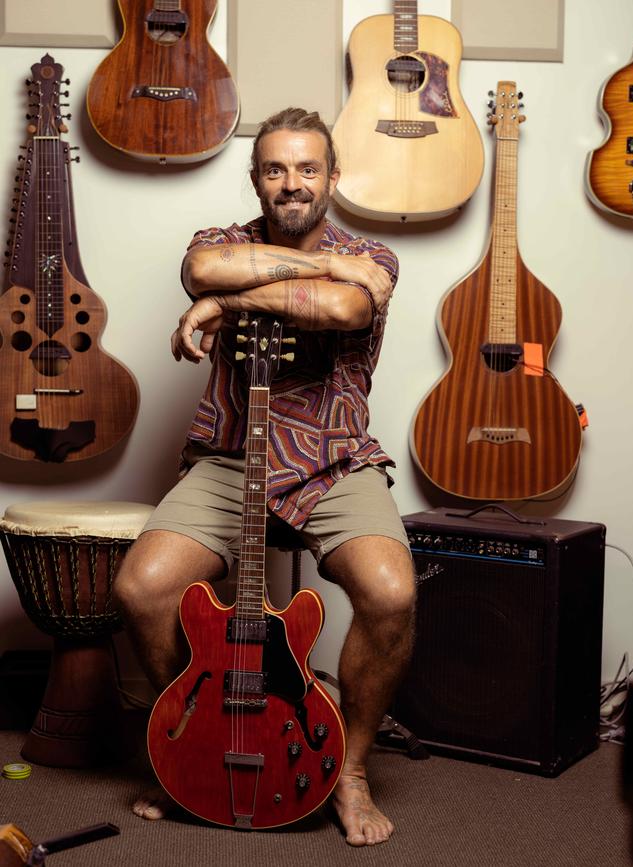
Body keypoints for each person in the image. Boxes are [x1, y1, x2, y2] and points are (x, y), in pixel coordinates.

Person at [113, 107, 416, 848]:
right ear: (257, 180)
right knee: (141, 588)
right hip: (230, 456)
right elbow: (201, 269)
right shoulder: (223, 240)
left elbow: (347, 304)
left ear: (332, 177)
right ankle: (188, 735)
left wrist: (222, 304)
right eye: (276, 169)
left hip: (332, 460)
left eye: (307, 169)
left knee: (392, 592)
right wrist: (232, 282)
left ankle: (347, 770)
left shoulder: (370, 255)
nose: (292, 184)